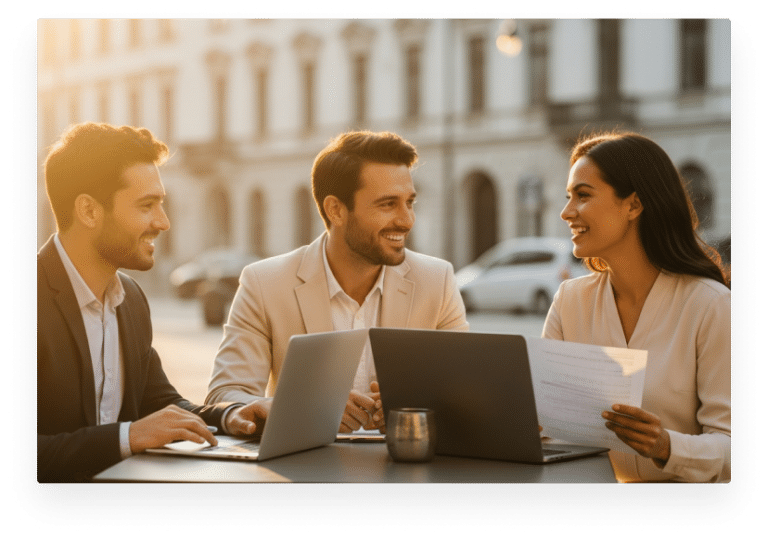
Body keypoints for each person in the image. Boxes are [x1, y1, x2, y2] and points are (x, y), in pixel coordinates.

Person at [37, 122, 271, 482]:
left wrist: (230, 415)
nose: (163, 222)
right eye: (147, 206)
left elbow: (160, 404)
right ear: (88, 211)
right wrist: (127, 437)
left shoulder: (129, 298)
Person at [206, 131, 469, 433]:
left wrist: (424, 405)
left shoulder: (438, 280)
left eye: (409, 202)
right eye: (387, 205)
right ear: (336, 210)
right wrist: (304, 407)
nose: (407, 219)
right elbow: (225, 396)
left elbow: (465, 394)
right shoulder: (264, 284)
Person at [542, 132, 731, 483]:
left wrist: (665, 446)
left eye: (582, 196)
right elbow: (549, 431)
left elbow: (735, 448)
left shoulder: (712, 305)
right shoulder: (570, 300)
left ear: (633, 204)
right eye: (569, 197)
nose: (566, 212)